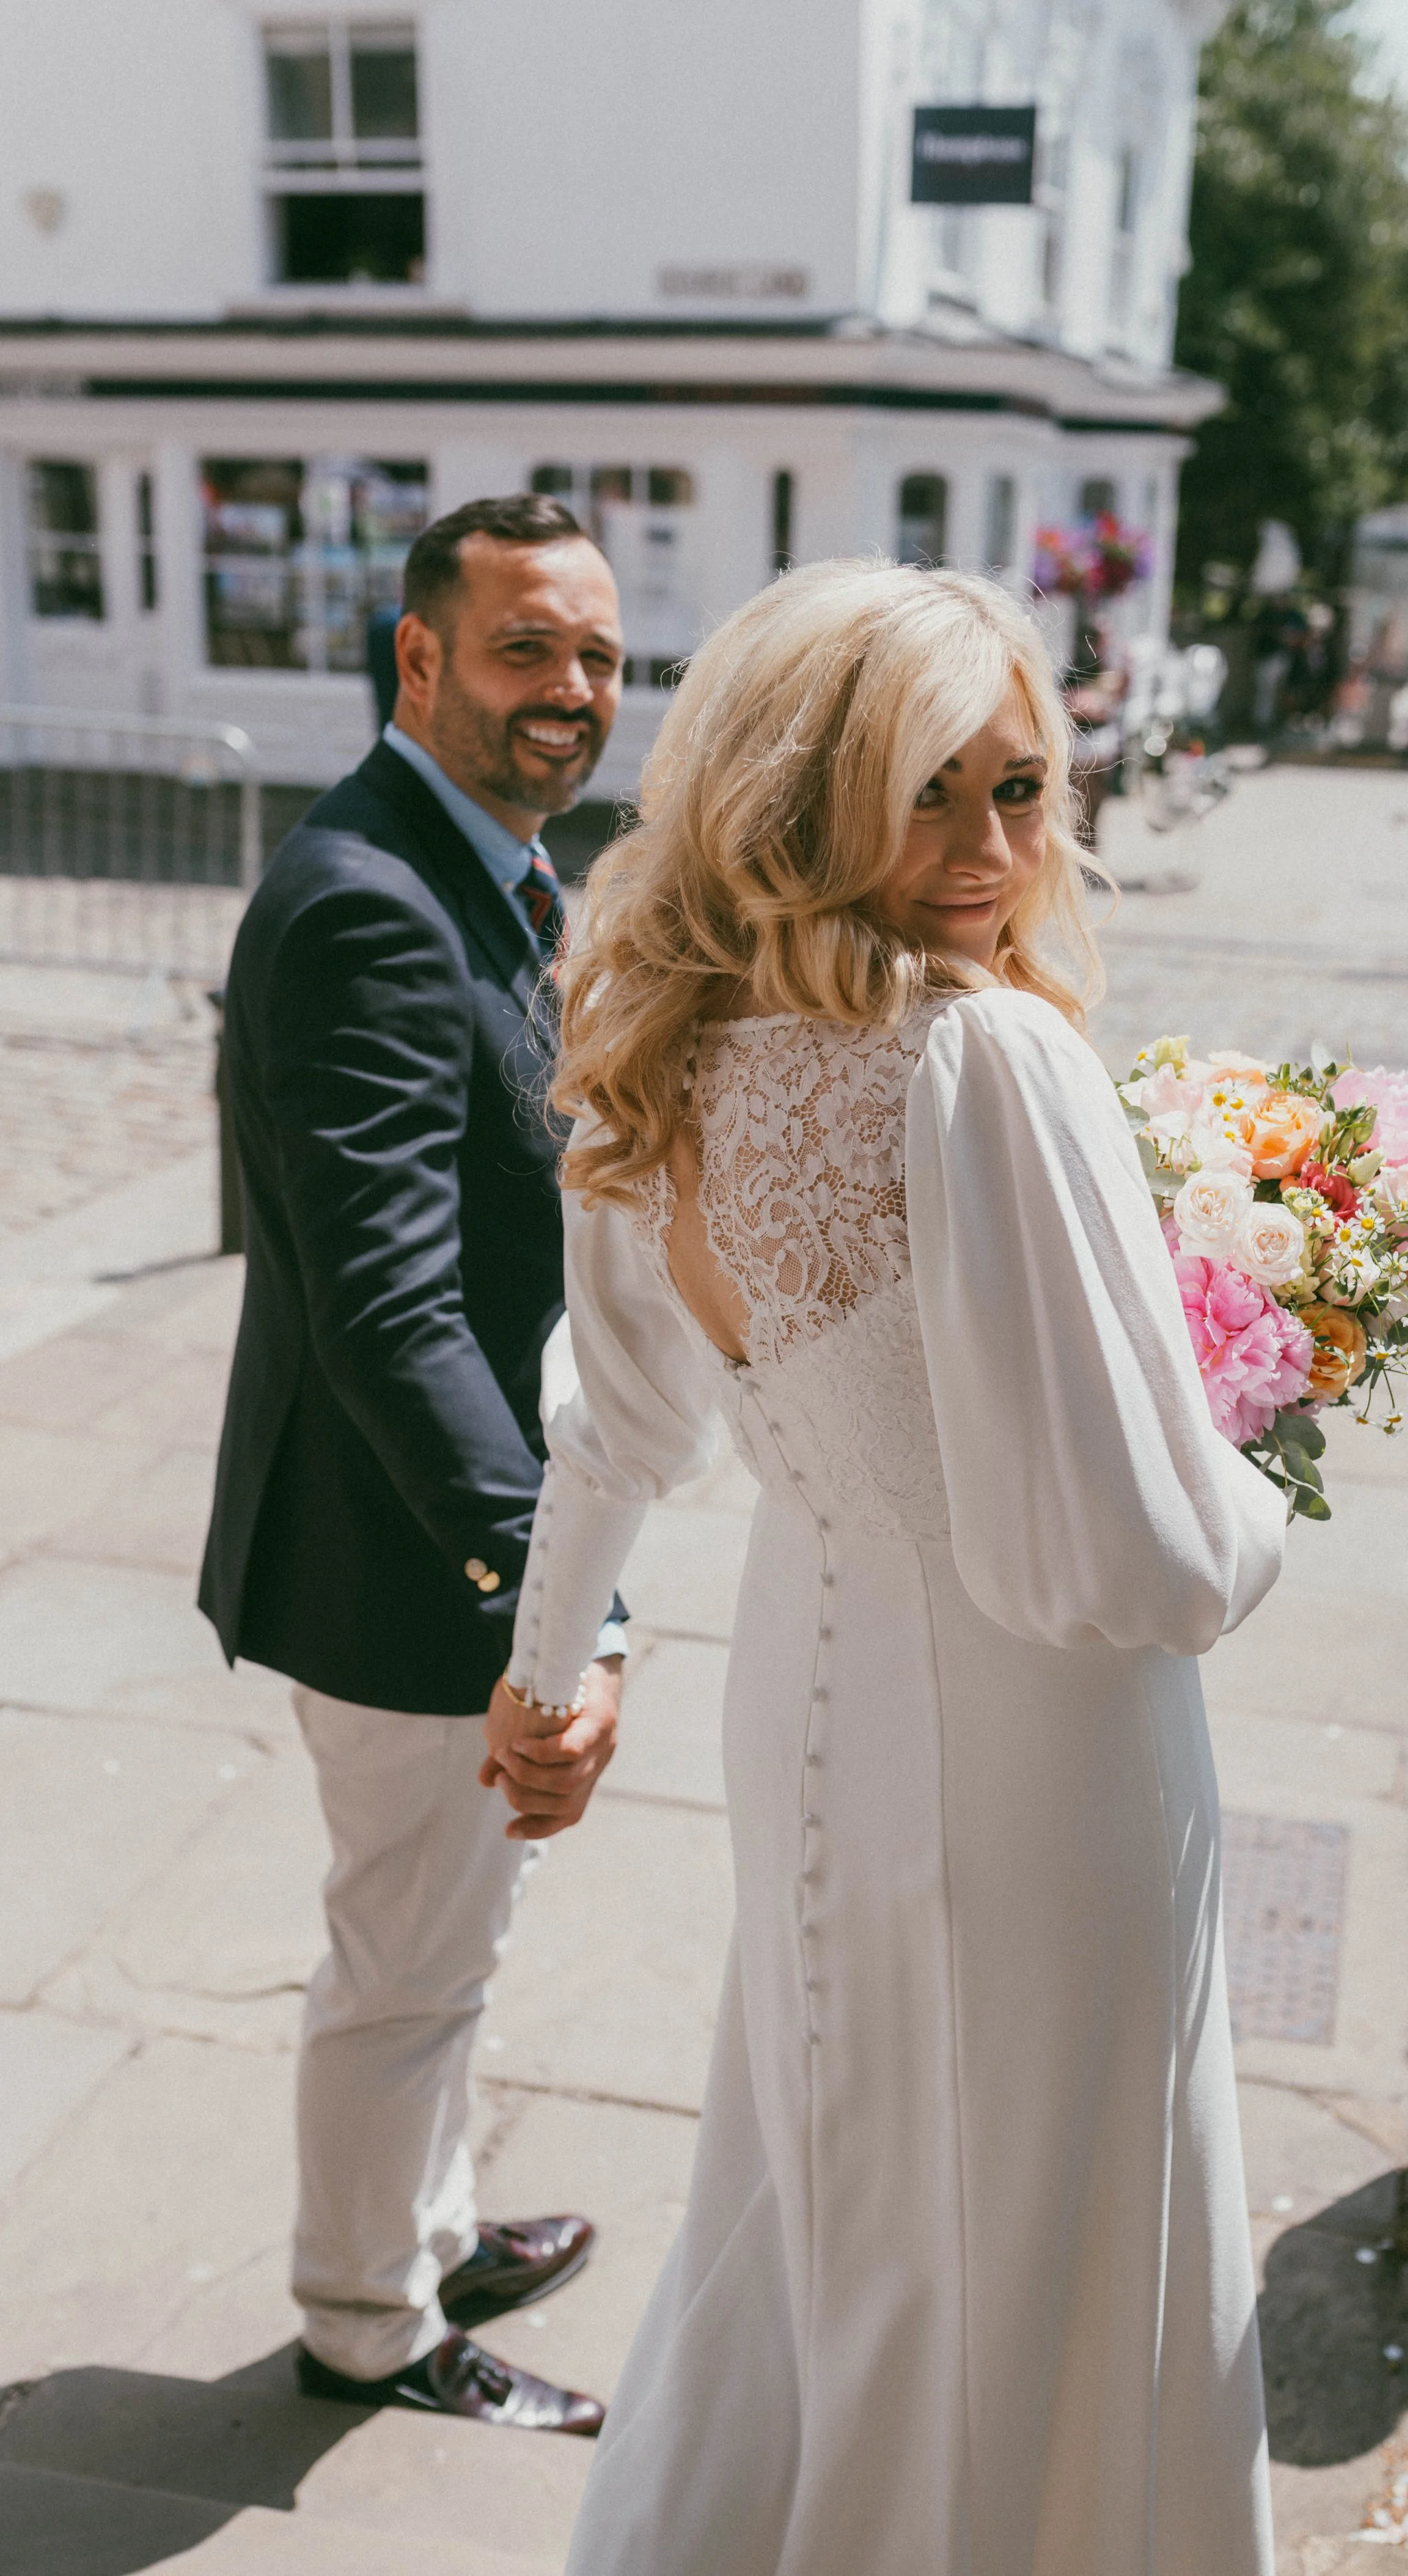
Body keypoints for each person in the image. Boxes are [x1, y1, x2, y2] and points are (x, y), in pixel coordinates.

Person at [487, 559, 1288, 2569]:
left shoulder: (667, 1054)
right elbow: (1144, 1565)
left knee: (821, 2188)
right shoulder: (981, 1063)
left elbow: (616, 1428)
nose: (987, 848)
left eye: (1019, 786)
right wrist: (1263, 1444)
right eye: (923, 792)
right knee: (1038, 2230)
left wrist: (544, 1670)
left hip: (807, 1701)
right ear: (796, 789)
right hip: (1045, 1765)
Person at [199, 493, 635, 2432]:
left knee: (450, 1936)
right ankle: (367, 2320)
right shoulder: (371, 901)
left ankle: (434, 2218)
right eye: (530, 646)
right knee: (401, 1965)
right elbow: (389, 1310)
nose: (573, 690)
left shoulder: (494, 870)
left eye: (602, 656)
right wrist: (558, 1602)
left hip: (444, 1529)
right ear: (421, 657)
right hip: (401, 1553)